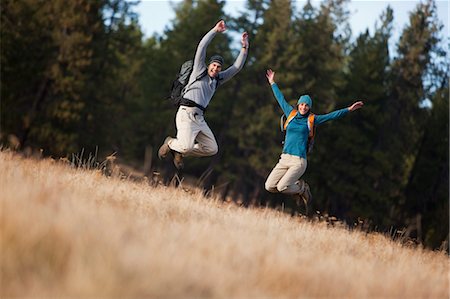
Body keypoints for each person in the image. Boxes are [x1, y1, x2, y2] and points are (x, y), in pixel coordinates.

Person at [264, 69, 364, 213]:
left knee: (282, 187)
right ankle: (298, 190)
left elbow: (331, 116)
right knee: (269, 186)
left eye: (306, 105)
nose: (304, 107)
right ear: (298, 105)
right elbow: (280, 98)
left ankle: (302, 188)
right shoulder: (290, 114)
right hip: (284, 158)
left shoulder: (312, 119)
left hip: (298, 161)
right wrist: (272, 82)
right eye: (302, 104)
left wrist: (349, 109)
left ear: (309, 107)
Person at [158, 20, 249, 169]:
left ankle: (179, 150)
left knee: (212, 148)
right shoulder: (199, 70)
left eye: (219, 67)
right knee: (186, 146)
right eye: (214, 65)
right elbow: (202, 46)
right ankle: (171, 143)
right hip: (186, 113)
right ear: (209, 65)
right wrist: (215, 30)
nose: (216, 68)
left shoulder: (218, 79)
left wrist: (244, 47)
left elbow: (236, 67)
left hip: (199, 118)